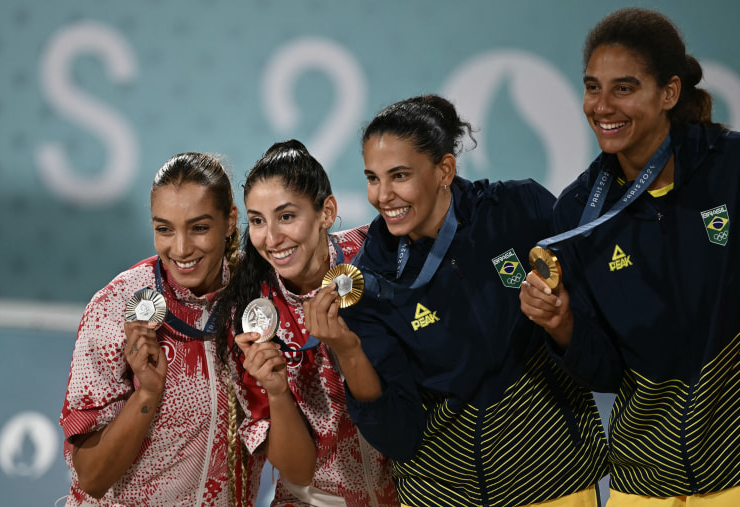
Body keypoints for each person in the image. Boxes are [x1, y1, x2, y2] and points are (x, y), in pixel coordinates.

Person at [304, 94, 609, 507]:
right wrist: (349, 351)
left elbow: (600, 352)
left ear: (443, 170)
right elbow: (399, 435)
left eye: (399, 175)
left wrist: (561, 323)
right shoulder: (370, 281)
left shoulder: (519, 211)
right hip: (442, 495)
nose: (383, 195)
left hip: (555, 483)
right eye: (373, 178)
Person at [519, 7, 740, 506]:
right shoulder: (579, 210)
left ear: (669, 93)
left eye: (623, 88)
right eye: (592, 87)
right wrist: (562, 325)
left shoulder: (729, 169)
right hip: (642, 484)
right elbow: (607, 372)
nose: (601, 105)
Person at [60, 152, 263, 506]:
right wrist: (147, 394)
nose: (181, 249)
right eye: (164, 229)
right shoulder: (113, 307)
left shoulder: (257, 299)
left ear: (230, 220)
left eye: (199, 227)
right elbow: (91, 476)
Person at [217, 139, 398, 506]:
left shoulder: (378, 253)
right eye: (257, 221)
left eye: (286, 216)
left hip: (413, 494)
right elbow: (297, 471)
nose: (271, 239)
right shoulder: (248, 315)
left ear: (326, 212)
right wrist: (278, 392)